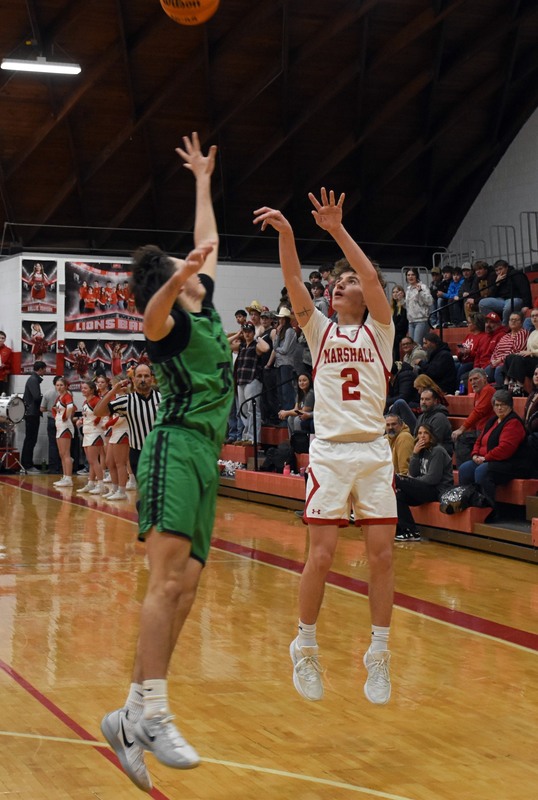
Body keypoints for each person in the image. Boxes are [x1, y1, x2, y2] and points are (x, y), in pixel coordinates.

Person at [100, 133, 233, 793]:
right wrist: (175, 277)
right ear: (171, 284)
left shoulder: (201, 307)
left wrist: (203, 181)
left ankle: (128, 714)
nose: (196, 264)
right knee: (165, 583)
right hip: (175, 447)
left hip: (205, 458)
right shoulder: (170, 322)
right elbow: (148, 313)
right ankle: (153, 710)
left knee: (187, 589)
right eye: (183, 267)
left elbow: (208, 238)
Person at [254, 187, 397, 707]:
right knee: (322, 555)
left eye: (348, 280)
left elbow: (375, 279)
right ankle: (305, 644)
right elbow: (295, 281)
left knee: (382, 558)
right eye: (336, 281)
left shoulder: (381, 330)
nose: (340, 284)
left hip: (374, 454)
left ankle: (378, 654)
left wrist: (337, 229)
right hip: (332, 454)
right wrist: (290, 233)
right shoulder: (317, 330)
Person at [458, 389, 530, 521]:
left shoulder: (513, 422)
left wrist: (485, 458)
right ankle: (468, 503)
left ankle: (489, 509)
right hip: (489, 460)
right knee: (465, 468)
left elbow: (505, 449)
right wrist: (474, 454)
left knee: (482, 471)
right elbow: (479, 440)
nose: (499, 408)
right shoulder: (492, 421)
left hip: (511, 464)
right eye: (496, 405)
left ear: (510, 406)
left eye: (503, 405)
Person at [94, 363, 161, 478]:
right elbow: (98, 412)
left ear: (152, 378)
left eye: (146, 376)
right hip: (138, 452)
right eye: (139, 376)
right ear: (133, 379)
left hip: (160, 451)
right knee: (144, 490)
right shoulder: (126, 401)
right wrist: (112, 392)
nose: (143, 379)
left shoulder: (162, 398)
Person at [394, 424, 454, 540]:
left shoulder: (438, 451)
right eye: (420, 433)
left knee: (397, 480)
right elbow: (413, 472)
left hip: (437, 490)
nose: (422, 436)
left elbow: (433, 479)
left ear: (432, 436)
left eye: (425, 433)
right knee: (399, 495)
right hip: (424, 488)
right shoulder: (421, 450)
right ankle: (410, 531)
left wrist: (411, 481)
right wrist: (415, 454)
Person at [451, 368, 496, 466]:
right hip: (480, 431)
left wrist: (462, 429)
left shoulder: (488, 390)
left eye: (476, 379)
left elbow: (478, 412)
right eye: (470, 380)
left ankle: (465, 468)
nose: (473, 382)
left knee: (461, 438)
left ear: (484, 379)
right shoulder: (478, 394)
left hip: (488, 431)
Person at [478, 259, 532, 324]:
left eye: (500, 269)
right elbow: (491, 295)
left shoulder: (516, 274)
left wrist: (526, 305)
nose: (498, 272)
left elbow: (525, 290)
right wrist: (496, 284)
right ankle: (496, 323)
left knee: (508, 306)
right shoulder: (495, 277)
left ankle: (504, 326)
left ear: (506, 267)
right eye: (496, 270)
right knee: (482, 303)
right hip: (501, 300)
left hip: (516, 299)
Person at [76, 380, 106, 495]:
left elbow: (102, 413)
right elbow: (87, 416)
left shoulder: (96, 400)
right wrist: (81, 420)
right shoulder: (85, 402)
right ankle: (91, 483)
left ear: (92, 389)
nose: (83, 390)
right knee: (90, 460)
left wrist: (96, 421)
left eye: (85, 388)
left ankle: (101, 485)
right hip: (87, 432)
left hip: (95, 432)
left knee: (94, 460)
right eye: (82, 388)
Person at [486, 311, 528, 387]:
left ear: (521, 323)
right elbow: (496, 350)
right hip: (497, 362)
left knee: (499, 370)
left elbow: (516, 350)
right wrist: (493, 360)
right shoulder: (505, 336)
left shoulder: (522, 333)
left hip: (510, 363)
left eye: (516, 320)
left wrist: (500, 360)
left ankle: (503, 393)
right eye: (511, 319)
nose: (513, 321)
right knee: (484, 372)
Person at [20, 361, 47, 474]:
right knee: (30, 439)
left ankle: (26, 464)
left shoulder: (33, 379)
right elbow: (36, 397)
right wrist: (45, 401)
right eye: (44, 369)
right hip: (32, 414)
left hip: (32, 413)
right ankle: (27, 465)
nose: (45, 371)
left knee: (31, 439)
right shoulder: (33, 379)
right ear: (40, 369)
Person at [504, 308, 538, 395]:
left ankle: (519, 386)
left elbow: (531, 352)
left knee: (519, 359)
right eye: (532, 316)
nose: (534, 318)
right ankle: (506, 384)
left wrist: (531, 353)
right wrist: (524, 352)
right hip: (532, 359)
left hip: (536, 360)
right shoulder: (533, 333)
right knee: (510, 356)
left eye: (537, 316)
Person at [273, 307, 298, 411]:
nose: (281, 320)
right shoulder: (282, 331)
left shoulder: (289, 331)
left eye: (283, 318)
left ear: (287, 319)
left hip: (287, 364)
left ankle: (287, 413)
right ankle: (283, 413)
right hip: (279, 363)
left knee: (286, 390)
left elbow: (285, 349)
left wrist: (277, 348)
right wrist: (278, 334)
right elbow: (275, 346)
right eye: (280, 318)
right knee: (280, 390)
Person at [52, 377, 75, 488]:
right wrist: (57, 415)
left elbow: (71, 407)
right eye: (57, 385)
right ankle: (65, 476)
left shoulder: (67, 396)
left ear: (66, 386)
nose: (59, 387)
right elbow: (54, 409)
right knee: (62, 453)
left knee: (66, 454)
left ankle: (69, 478)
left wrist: (65, 416)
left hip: (65, 427)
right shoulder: (58, 398)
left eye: (61, 385)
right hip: (59, 427)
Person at [278, 373, 315, 437]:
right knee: (290, 418)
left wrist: (286, 412)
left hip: (312, 415)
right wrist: (285, 412)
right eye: (300, 381)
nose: (301, 383)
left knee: (297, 419)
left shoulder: (311, 393)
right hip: (304, 414)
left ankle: (300, 441)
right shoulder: (299, 394)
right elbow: (296, 409)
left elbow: (303, 412)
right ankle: (293, 441)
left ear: (310, 381)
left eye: (304, 380)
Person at [40, 375, 63, 474]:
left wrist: (50, 409)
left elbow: (41, 408)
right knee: (63, 445)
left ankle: (53, 467)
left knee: (52, 444)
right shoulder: (67, 394)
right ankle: (62, 466)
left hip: (51, 419)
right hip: (62, 420)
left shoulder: (48, 393)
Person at [405, 267, 433, 344]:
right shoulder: (408, 289)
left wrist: (420, 291)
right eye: (408, 275)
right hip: (411, 321)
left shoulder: (423, 287)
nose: (410, 277)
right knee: (411, 346)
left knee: (417, 344)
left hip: (421, 320)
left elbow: (430, 301)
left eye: (412, 275)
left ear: (416, 276)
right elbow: (408, 306)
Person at [390, 285, 407, 361]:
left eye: (397, 292)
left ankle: (396, 362)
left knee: (394, 340)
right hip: (393, 331)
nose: (395, 294)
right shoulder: (392, 307)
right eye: (393, 292)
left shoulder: (404, 305)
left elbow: (403, 322)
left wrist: (393, 329)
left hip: (400, 331)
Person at [0, 331, 13, 395]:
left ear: (5, 339)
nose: (1, 340)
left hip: (3, 377)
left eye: (2, 338)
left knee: (2, 396)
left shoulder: (8, 350)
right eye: (0, 338)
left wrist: (4, 365)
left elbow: (10, 364)